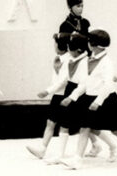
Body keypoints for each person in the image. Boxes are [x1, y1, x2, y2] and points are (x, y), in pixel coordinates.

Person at [59, 29, 117, 169]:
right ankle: (77, 159)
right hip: (90, 98)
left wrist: (98, 101)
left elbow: (108, 84)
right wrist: (72, 97)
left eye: (89, 41)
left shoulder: (107, 62)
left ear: (93, 44)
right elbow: (84, 83)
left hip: (107, 99)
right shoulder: (88, 60)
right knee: (84, 128)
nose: (87, 43)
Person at [28, 32, 73, 161]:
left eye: (55, 43)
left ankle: (105, 145)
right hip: (57, 95)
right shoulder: (58, 58)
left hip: (65, 95)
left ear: (60, 45)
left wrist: (47, 91)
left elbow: (63, 81)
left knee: (82, 126)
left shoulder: (69, 60)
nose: (53, 46)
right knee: (51, 122)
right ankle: (42, 149)